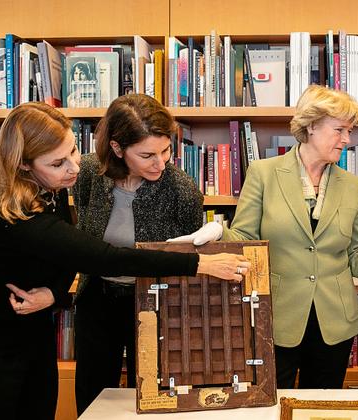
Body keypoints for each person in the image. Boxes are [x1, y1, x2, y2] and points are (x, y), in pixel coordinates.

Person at [0, 102, 249, 420]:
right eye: (58, 162)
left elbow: (63, 250)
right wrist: (198, 264)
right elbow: (97, 255)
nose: (74, 168)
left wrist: (53, 291)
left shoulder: (52, 187)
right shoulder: (19, 213)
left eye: (74, 151)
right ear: (24, 165)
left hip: (32, 333)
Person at [170, 85, 358, 389]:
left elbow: (357, 254)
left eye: (349, 131)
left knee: (323, 407)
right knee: (270, 402)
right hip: (276, 317)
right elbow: (245, 239)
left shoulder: (351, 185)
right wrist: (219, 232)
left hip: (335, 322)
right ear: (311, 126)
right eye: (340, 130)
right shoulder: (263, 173)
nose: (347, 140)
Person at [72, 94, 204, 415]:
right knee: (93, 394)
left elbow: (189, 253)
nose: (161, 163)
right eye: (147, 155)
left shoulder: (182, 190)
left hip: (155, 304)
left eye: (166, 150)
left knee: (149, 397)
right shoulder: (88, 173)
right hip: (98, 299)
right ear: (117, 149)